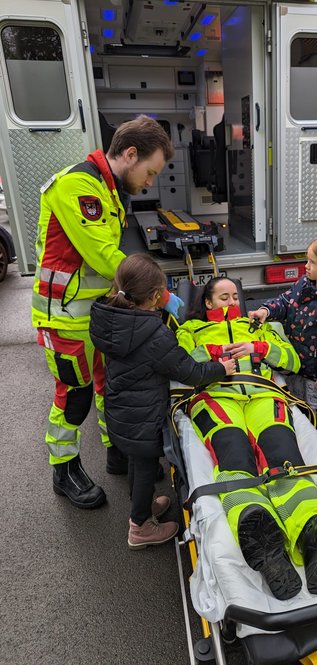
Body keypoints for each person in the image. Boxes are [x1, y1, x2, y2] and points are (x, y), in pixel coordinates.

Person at [176, 277, 317, 600]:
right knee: (234, 456)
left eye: (236, 295)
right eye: (224, 297)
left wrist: (258, 348)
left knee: (284, 458)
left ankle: (312, 536)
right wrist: (215, 352)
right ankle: (265, 545)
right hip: (216, 397)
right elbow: (180, 363)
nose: (232, 301)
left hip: (264, 396)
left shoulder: (258, 327)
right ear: (208, 303)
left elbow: (292, 361)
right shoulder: (190, 330)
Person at [32, 115, 184, 510]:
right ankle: (64, 469)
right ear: (130, 154)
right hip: (63, 315)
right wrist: (157, 293)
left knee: (106, 384)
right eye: (149, 172)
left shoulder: (106, 189)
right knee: (75, 396)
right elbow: (102, 256)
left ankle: (116, 450)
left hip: (94, 314)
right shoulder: (78, 186)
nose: (150, 182)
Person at [89, 254, 235, 548]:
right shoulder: (154, 334)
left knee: (135, 462)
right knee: (144, 467)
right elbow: (190, 372)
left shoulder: (111, 318)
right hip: (143, 418)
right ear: (156, 296)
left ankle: (140, 506)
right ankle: (140, 527)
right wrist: (222, 368)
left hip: (121, 412)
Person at [248, 237, 317, 439]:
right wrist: (266, 311)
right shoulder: (304, 283)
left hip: (316, 373)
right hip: (296, 362)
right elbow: (285, 301)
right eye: (307, 260)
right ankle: (302, 440)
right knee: (298, 403)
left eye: (312, 262)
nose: (306, 266)